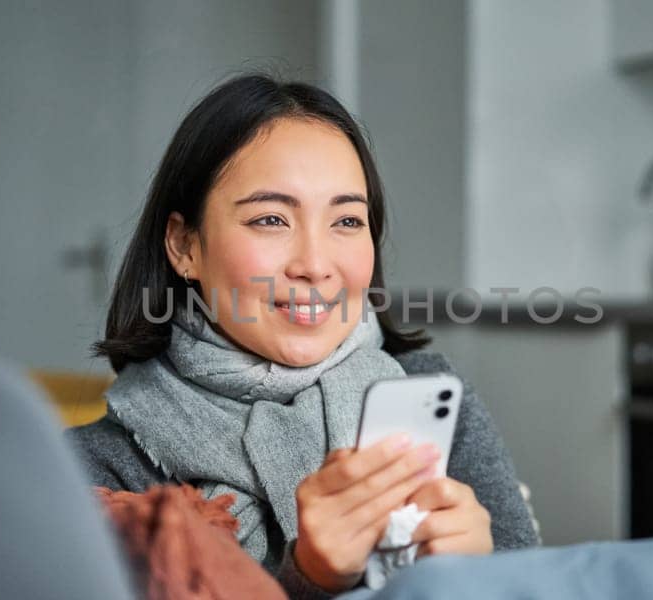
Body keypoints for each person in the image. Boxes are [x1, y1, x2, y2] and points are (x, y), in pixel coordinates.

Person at [68, 74, 540, 599]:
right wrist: (308, 581)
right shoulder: (99, 468)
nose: (315, 266)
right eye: (270, 219)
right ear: (184, 245)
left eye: (346, 221)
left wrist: (489, 576)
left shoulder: (431, 404)